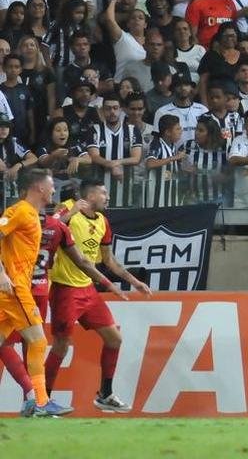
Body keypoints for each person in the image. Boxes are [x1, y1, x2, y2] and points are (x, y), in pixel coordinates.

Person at [46, 180, 152, 413]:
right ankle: (43, 401)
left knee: (114, 339)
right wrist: (69, 214)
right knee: (61, 345)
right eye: (103, 192)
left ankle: (105, 394)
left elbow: (108, 260)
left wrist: (134, 281)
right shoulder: (67, 207)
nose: (107, 197)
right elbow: (47, 228)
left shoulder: (103, 222)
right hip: (65, 288)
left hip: (88, 289)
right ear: (90, 194)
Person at [0, 169, 71, 416]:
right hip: (15, 289)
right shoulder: (18, 211)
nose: (54, 190)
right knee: (38, 341)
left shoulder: (32, 214)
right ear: (39, 187)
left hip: (16, 288)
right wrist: (1, 274)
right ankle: (41, 402)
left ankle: (36, 400)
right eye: (51, 186)